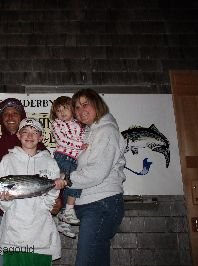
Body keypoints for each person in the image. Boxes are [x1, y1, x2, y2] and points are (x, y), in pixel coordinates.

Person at [0, 98, 48, 266]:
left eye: (15, 113)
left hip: (31, 218)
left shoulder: (40, 148)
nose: (10, 117)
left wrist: (57, 199)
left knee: (27, 262)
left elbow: (49, 179)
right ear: (1, 119)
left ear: (22, 116)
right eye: (5, 114)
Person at [0, 118, 62, 266]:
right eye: (25, 132)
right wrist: (4, 199)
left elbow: (52, 197)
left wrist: (54, 191)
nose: (29, 136)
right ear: (18, 135)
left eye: (34, 132)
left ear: (41, 137)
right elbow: (2, 203)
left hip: (41, 232)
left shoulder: (50, 162)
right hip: (14, 232)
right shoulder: (7, 160)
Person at [69, 89, 126, 266]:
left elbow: (97, 172)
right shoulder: (90, 132)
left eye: (85, 104)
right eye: (77, 107)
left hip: (101, 203)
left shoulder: (107, 130)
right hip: (91, 205)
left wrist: (66, 179)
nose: (80, 110)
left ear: (97, 104)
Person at [50, 96, 88, 236]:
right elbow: (62, 140)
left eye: (65, 108)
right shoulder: (57, 124)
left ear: (72, 108)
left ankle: (64, 221)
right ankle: (66, 211)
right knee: (66, 184)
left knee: (72, 185)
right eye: (59, 110)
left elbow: (86, 138)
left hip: (76, 160)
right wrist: (80, 146)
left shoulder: (80, 124)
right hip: (63, 157)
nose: (62, 112)